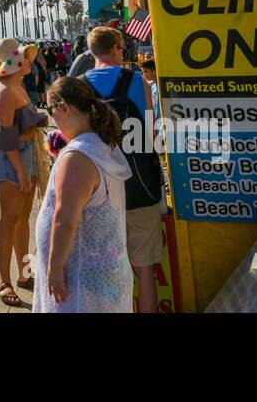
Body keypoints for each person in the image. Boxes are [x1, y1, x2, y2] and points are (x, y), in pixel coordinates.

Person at [35, 76, 133, 313]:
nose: (51, 117)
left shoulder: (77, 157)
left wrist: (55, 266)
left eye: (50, 109)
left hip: (80, 277)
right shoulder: (101, 144)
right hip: (100, 271)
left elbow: (65, 220)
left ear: (63, 108)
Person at [83, 27, 165, 313]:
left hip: (97, 193)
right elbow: (151, 134)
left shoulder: (78, 87)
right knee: (144, 269)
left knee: (103, 270)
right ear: (117, 48)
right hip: (139, 186)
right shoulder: (136, 81)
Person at [0, 36, 48, 309]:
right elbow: (5, 138)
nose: (30, 63)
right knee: (9, 217)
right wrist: (21, 171)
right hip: (10, 157)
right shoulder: (5, 91)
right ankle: (4, 280)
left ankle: (24, 273)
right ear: (15, 62)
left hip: (25, 154)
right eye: (25, 58)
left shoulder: (18, 86)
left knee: (22, 216)